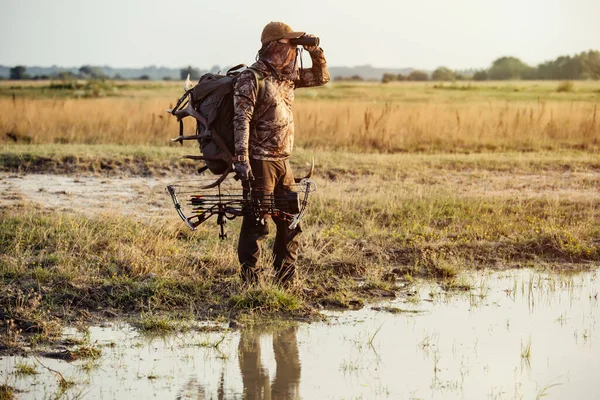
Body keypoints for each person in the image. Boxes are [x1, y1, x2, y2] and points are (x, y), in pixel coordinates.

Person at [232, 21, 329, 285]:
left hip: (282, 162)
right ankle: (250, 283)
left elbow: (321, 77)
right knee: (257, 224)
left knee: (290, 222)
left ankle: (286, 281)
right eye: (290, 44)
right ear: (274, 46)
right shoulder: (251, 78)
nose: (294, 50)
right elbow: (241, 119)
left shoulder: (287, 78)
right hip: (259, 161)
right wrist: (242, 160)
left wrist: (314, 51)